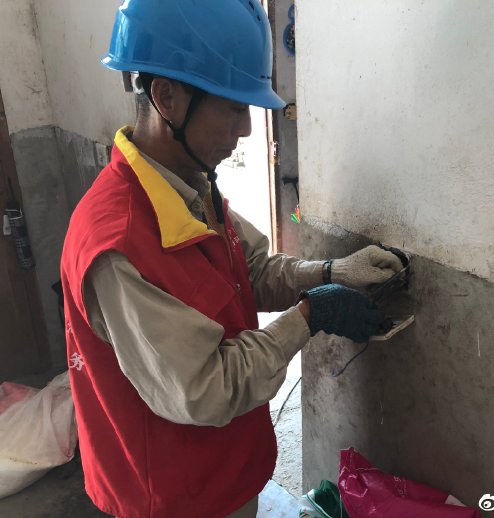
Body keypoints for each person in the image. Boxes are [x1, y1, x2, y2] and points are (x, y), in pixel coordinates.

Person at [59, 1, 403, 517]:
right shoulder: (118, 245)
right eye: (233, 108)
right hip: (173, 498)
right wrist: (310, 315)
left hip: (225, 471)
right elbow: (206, 387)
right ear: (167, 98)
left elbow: (252, 270)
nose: (245, 129)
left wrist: (332, 272)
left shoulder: (188, 187)